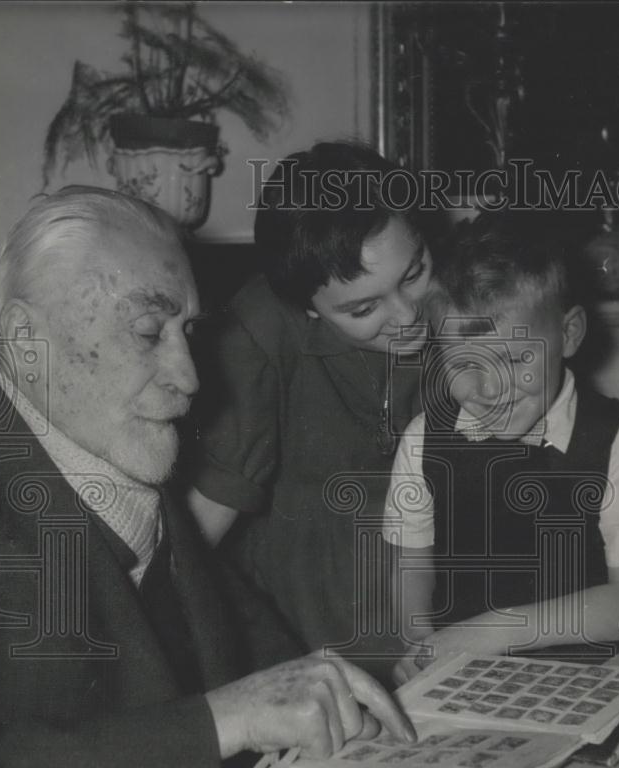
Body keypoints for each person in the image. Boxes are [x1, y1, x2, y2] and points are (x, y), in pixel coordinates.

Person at [0, 188, 416, 768]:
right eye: (149, 332)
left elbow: (244, 641)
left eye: (188, 331)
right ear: (27, 341)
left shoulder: (108, 447)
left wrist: (346, 705)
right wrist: (219, 721)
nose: (188, 377)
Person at [384, 212, 619, 684]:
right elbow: (411, 565)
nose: (490, 389)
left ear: (569, 334)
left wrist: (489, 633)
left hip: (594, 678)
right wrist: (421, 646)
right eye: (464, 363)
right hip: (466, 679)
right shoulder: (423, 439)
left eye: (516, 359)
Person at [187, 141, 441, 667]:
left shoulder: (465, 302)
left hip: (433, 585)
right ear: (305, 307)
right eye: (364, 308)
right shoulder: (257, 333)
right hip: (308, 616)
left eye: (414, 274)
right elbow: (207, 518)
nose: (406, 316)